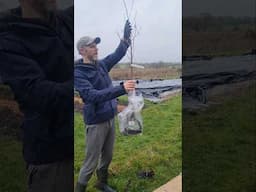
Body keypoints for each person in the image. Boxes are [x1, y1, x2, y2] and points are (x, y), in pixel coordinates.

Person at [0, 0, 73, 191]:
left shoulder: (64, 21)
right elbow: (39, 93)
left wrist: (124, 43)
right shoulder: (9, 40)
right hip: (53, 159)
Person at [74, 20, 136, 192]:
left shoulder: (101, 64)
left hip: (109, 117)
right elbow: (91, 96)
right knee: (90, 161)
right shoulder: (78, 73)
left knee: (107, 156)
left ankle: (101, 183)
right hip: (95, 122)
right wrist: (121, 89)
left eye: (96, 45)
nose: (96, 48)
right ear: (82, 50)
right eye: (91, 46)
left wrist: (125, 39)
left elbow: (117, 55)